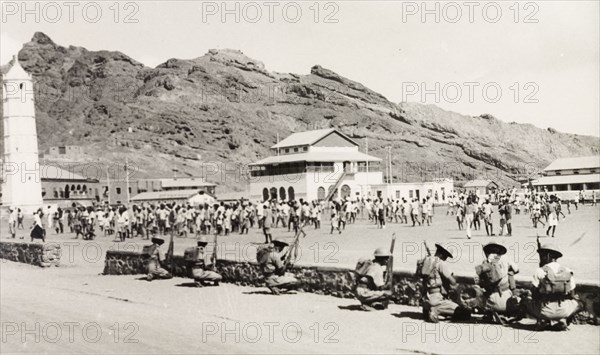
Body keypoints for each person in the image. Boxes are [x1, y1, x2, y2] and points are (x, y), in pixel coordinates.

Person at [521, 243, 583, 330]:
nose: (540, 258)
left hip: (544, 310)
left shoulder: (539, 271)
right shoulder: (567, 271)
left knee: (524, 301)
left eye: (542, 256)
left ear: (548, 255)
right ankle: (563, 320)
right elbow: (572, 295)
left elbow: (535, 296)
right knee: (580, 304)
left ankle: (542, 320)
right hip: (563, 310)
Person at [417, 243, 471, 323]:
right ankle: (434, 311)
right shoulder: (440, 263)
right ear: (442, 254)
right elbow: (453, 282)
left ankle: (428, 310)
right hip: (436, 299)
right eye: (446, 256)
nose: (446, 259)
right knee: (465, 313)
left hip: (425, 298)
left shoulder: (425, 260)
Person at [475, 242, 520, 323]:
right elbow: (517, 269)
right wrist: (508, 273)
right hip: (508, 300)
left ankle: (490, 313)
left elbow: (481, 283)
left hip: (494, 299)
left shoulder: (486, 262)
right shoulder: (506, 258)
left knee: (477, 293)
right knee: (510, 274)